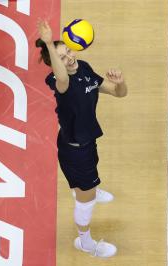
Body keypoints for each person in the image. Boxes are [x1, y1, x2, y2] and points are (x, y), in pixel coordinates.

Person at [36, 19, 127, 257]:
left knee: (88, 178)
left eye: (68, 51)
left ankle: (88, 188)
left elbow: (119, 94)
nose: (69, 58)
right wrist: (48, 41)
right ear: (56, 65)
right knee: (85, 202)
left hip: (86, 139)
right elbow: (63, 77)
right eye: (62, 57)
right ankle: (86, 243)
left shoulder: (84, 68)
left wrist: (120, 83)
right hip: (76, 150)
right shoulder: (60, 84)